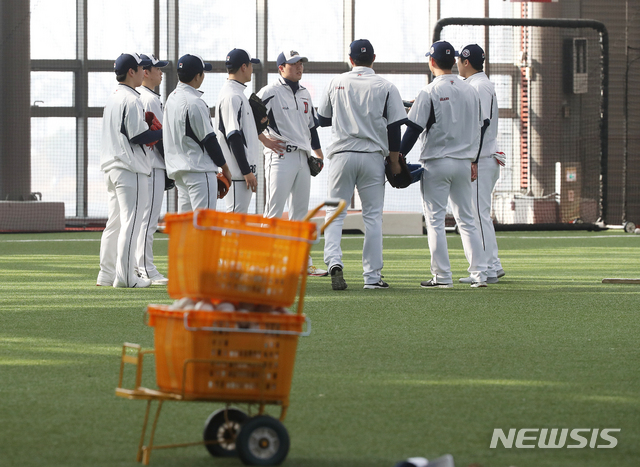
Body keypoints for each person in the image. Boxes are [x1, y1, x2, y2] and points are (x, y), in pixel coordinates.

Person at [317, 39, 407, 290]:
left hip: (341, 156)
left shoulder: (336, 82)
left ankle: (334, 262)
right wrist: (394, 161)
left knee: (334, 214)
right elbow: (394, 128)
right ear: (374, 58)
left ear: (350, 59)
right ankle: (372, 278)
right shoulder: (386, 86)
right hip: (372, 158)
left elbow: (323, 119)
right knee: (373, 218)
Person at [399, 40, 488, 288]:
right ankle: (480, 275)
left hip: (437, 163)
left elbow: (414, 129)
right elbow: (479, 128)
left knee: (436, 221)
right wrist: (473, 160)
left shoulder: (429, 91)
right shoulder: (471, 90)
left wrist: (398, 156)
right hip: (463, 163)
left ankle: (442, 277)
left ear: (432, 62)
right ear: (454, 62)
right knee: (468, 220)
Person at [256, 49, 327, 277]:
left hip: (303, 157)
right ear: (281, 68)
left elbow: (311, 127)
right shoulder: (270, 91)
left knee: (300, 213)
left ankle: (302, 263)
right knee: (274, 210)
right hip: (280, 156)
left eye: (300, 63)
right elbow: (249, 113)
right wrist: (264, 140)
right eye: (293, 63)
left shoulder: (305, 93)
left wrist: (318, 154)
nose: (299, 67)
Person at [97, 52, 159, 288]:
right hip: (129, 167)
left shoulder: (113, 98)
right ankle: (125, 277)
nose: (145, 72)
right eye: (141, 68)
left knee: (114, 222)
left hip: (112, 167)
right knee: (131, 222)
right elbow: (139, 136)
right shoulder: (132, 99)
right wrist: (161, 133)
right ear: (131, 72)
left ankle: (106, 274)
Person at [456, 44, 506, 284]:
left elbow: (482, 123)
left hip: (483, 158)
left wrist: (473, 158)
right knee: (477, 214)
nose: (456, 63)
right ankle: (491, 265)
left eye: (459, 59)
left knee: (478, 214)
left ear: (466, 62)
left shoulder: (479, 85)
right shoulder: (474, 84)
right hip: (483, 157)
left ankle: (488, 268)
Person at [163, 54, 232, 213]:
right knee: (204, 227)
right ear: (197, 76)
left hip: (180, 173)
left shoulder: (171, 99)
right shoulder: (195, 102)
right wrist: (225, 168)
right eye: (203, 72)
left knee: (186, 228)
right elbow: (209, 139)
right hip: (200, 172)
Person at [135, 53, 170, 285]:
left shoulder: (149, 97)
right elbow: (158, 139)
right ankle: (146, 269)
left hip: (149, 167)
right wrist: (170, 166)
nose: (161, 72)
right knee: (149, 221)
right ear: (145, 72)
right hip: (153, 166)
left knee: (146, 220)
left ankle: (141, 267)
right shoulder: (149, 99)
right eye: (157, 68)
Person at [215, 48, 261, 213]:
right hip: (237, 173)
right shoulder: (232, 96)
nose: (252, 69)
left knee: (236, 222)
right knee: (234, 221)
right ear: (243, 67)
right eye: (250, 65)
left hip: (239, 173)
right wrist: (246, 171)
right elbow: (233, 136)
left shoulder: (236, 93)